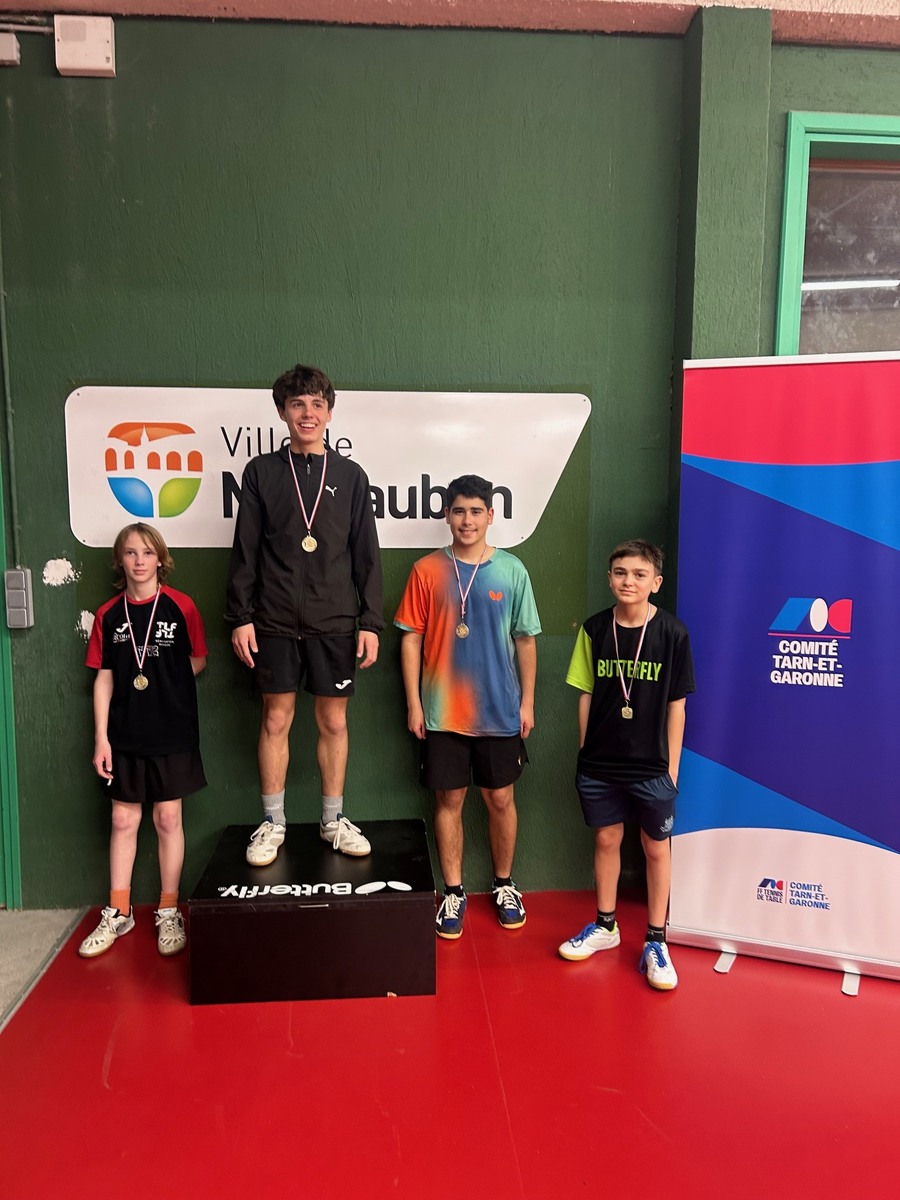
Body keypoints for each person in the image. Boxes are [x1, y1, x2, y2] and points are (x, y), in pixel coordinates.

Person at [226, 363, 383, 865]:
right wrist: (241, 616)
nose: (308, 413)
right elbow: (246, 550)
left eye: (317, 404)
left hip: (334, 621)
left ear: (330, 413)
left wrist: (371, 622)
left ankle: (333, 820)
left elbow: (366, 555)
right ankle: (272, 823)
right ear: (282, 412)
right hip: (272, 620)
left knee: (333, 721)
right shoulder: (261, 473)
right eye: (297, 405)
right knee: (276, 718)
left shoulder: (351, 477)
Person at [395, 473, 540, 939]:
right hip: (442, 712)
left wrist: (528, 702)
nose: (467, 520)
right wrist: (415, 704)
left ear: (491, 515)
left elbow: (526, 640)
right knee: (449, 800)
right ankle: (453, 892)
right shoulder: (426, 570)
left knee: (500, 799)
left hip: (500, 711)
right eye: (459, 511)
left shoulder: (512, 570)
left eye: (476, 511)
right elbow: (410, 639)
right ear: (447, 515)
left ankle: (504, 885)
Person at [558, 539, 694, 990]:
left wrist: (672, 769)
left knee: (656, 847)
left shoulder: (673, 633)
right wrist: (585, 753)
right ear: (609, 578)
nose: (628, 581)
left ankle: (656, 939)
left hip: (652, 767)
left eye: (639, 574)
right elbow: (585, 694)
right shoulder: (595, 629)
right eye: (620, 572)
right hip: (600, 764)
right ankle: (606, 926)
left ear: (656, 582)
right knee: (606, 839)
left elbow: (677, 706)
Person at [80, 523, 207, 959]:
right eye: (131, 552)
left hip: (172, 732)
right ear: (120, 559)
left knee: (168, 819)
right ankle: (119, 911)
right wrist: (101, 738)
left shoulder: (181, 606)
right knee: (122, 820)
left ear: (160, 559)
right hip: (124, 735)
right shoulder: (108, 615)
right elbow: (103, 678)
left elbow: (199, 659)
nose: (139, 561)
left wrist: (165, 686)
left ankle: (169, 910)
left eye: (147, 553)